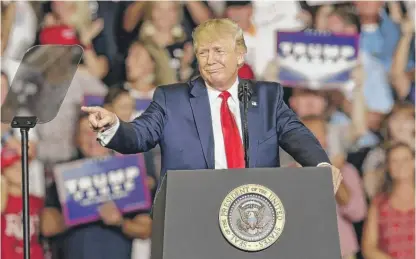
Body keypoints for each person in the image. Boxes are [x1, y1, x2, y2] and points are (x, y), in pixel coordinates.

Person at [82, 18, 342, 192]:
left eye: (219, 51)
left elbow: (296, 134)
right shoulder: (171, 100)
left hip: (255, 215)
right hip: (194, 215)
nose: (210, 60)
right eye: (203, 52)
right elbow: (139, 135)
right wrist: (114, 125)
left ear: (240, 55)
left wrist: (321, 166)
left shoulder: (267, 97)